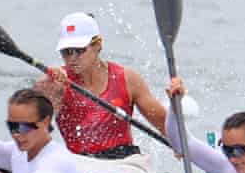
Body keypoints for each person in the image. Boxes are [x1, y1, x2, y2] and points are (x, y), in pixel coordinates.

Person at [35, 12, 167, 161]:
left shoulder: (128, 79)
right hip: (82, 165)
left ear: (97, 45)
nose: (72, 59)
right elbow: (31, 128)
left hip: (126, 163)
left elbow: (165, 125)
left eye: (79, 51)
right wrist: (45, 87)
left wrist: (181, 147)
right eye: (66, 52)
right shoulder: (57, 84)